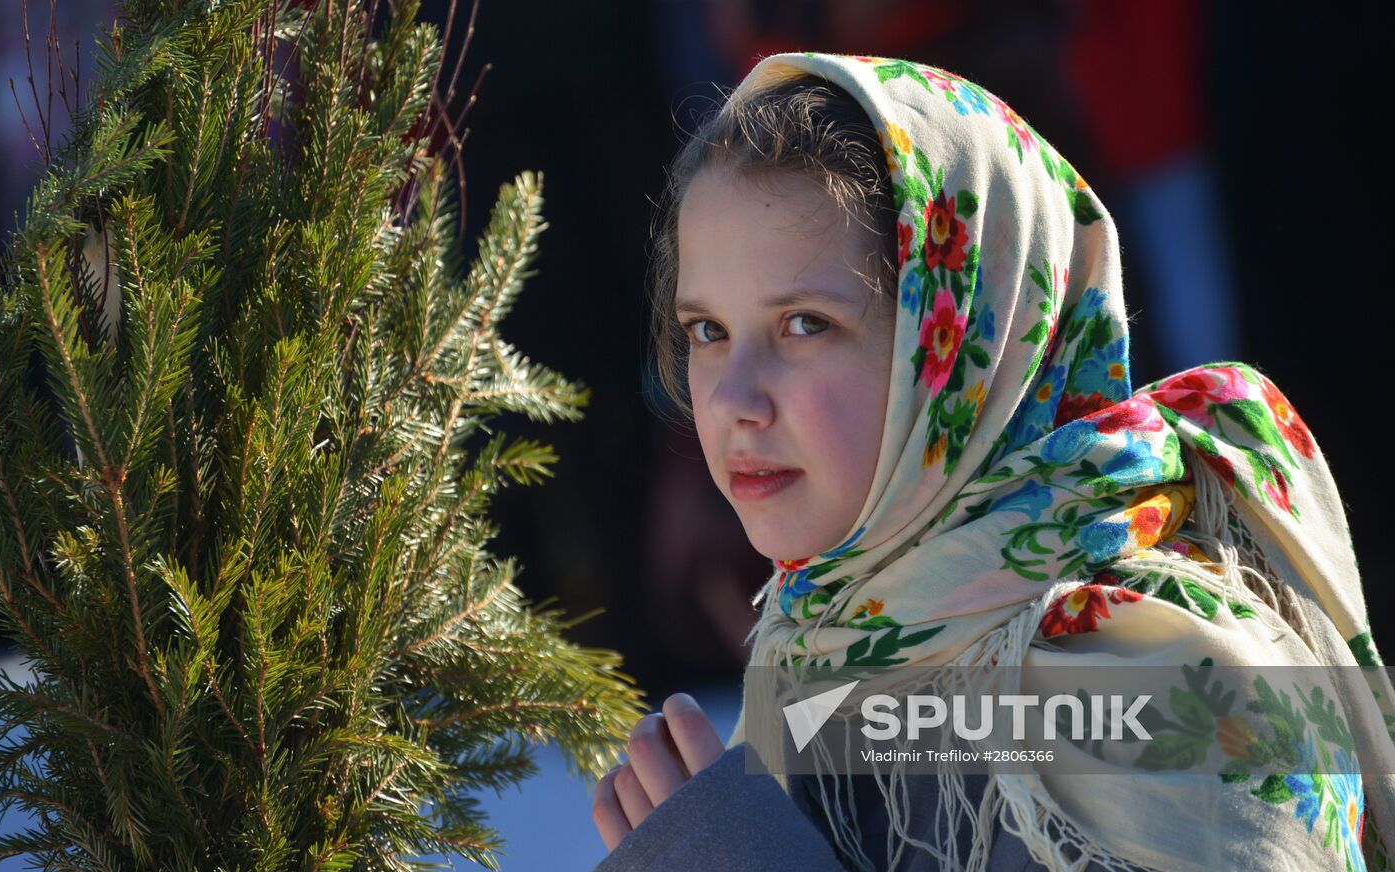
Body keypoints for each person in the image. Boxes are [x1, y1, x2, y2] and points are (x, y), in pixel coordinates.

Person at [591, 51, 1395, 871]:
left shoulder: (1159, 681)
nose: (734, 399)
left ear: (967, 344)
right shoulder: (822, 643)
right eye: (708, 331)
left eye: (805, 325)